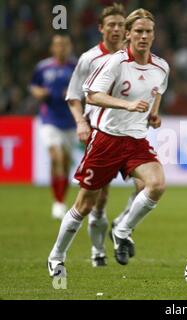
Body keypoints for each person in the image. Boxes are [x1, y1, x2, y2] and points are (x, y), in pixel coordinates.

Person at [47, 8, 169, 277]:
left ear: (154, 35)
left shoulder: (161, 66)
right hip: (106, 140)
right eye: (138, 31)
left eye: (148, 31)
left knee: (157, 184)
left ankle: (122, 229)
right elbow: (91, 95)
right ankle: (56, 256)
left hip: (136, 141)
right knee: (86, 205)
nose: (144, 36)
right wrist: (126, 105)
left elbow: (157, 91)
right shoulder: (114, 62)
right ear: (128, 35)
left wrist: (153, 113)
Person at [65, 3, 144, 267]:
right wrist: (80, 123)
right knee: (100, 197)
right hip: (100, 131)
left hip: (131, 131)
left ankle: (122, 224)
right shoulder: (89, 59)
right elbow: (74, 96)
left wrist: (152, 112)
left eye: (121, 24)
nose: (117, 29)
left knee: (146, 185)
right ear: (101, 28)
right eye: (111, 25)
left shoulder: (134, 57)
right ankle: (98, 251)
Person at [30, 34, 77, 220]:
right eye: (58, 45)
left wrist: (74, 93)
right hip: (49, 120)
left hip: (71, 122)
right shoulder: (43, 67)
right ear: (52, 48)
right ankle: (57, 202)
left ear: (70, 47)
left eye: (65, 44)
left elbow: (86, 89)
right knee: (55, 157)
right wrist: (40, 93)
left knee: (65, 162)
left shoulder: (76, 67)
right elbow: (34, 86)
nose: (61, 48)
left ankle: (61, 199)